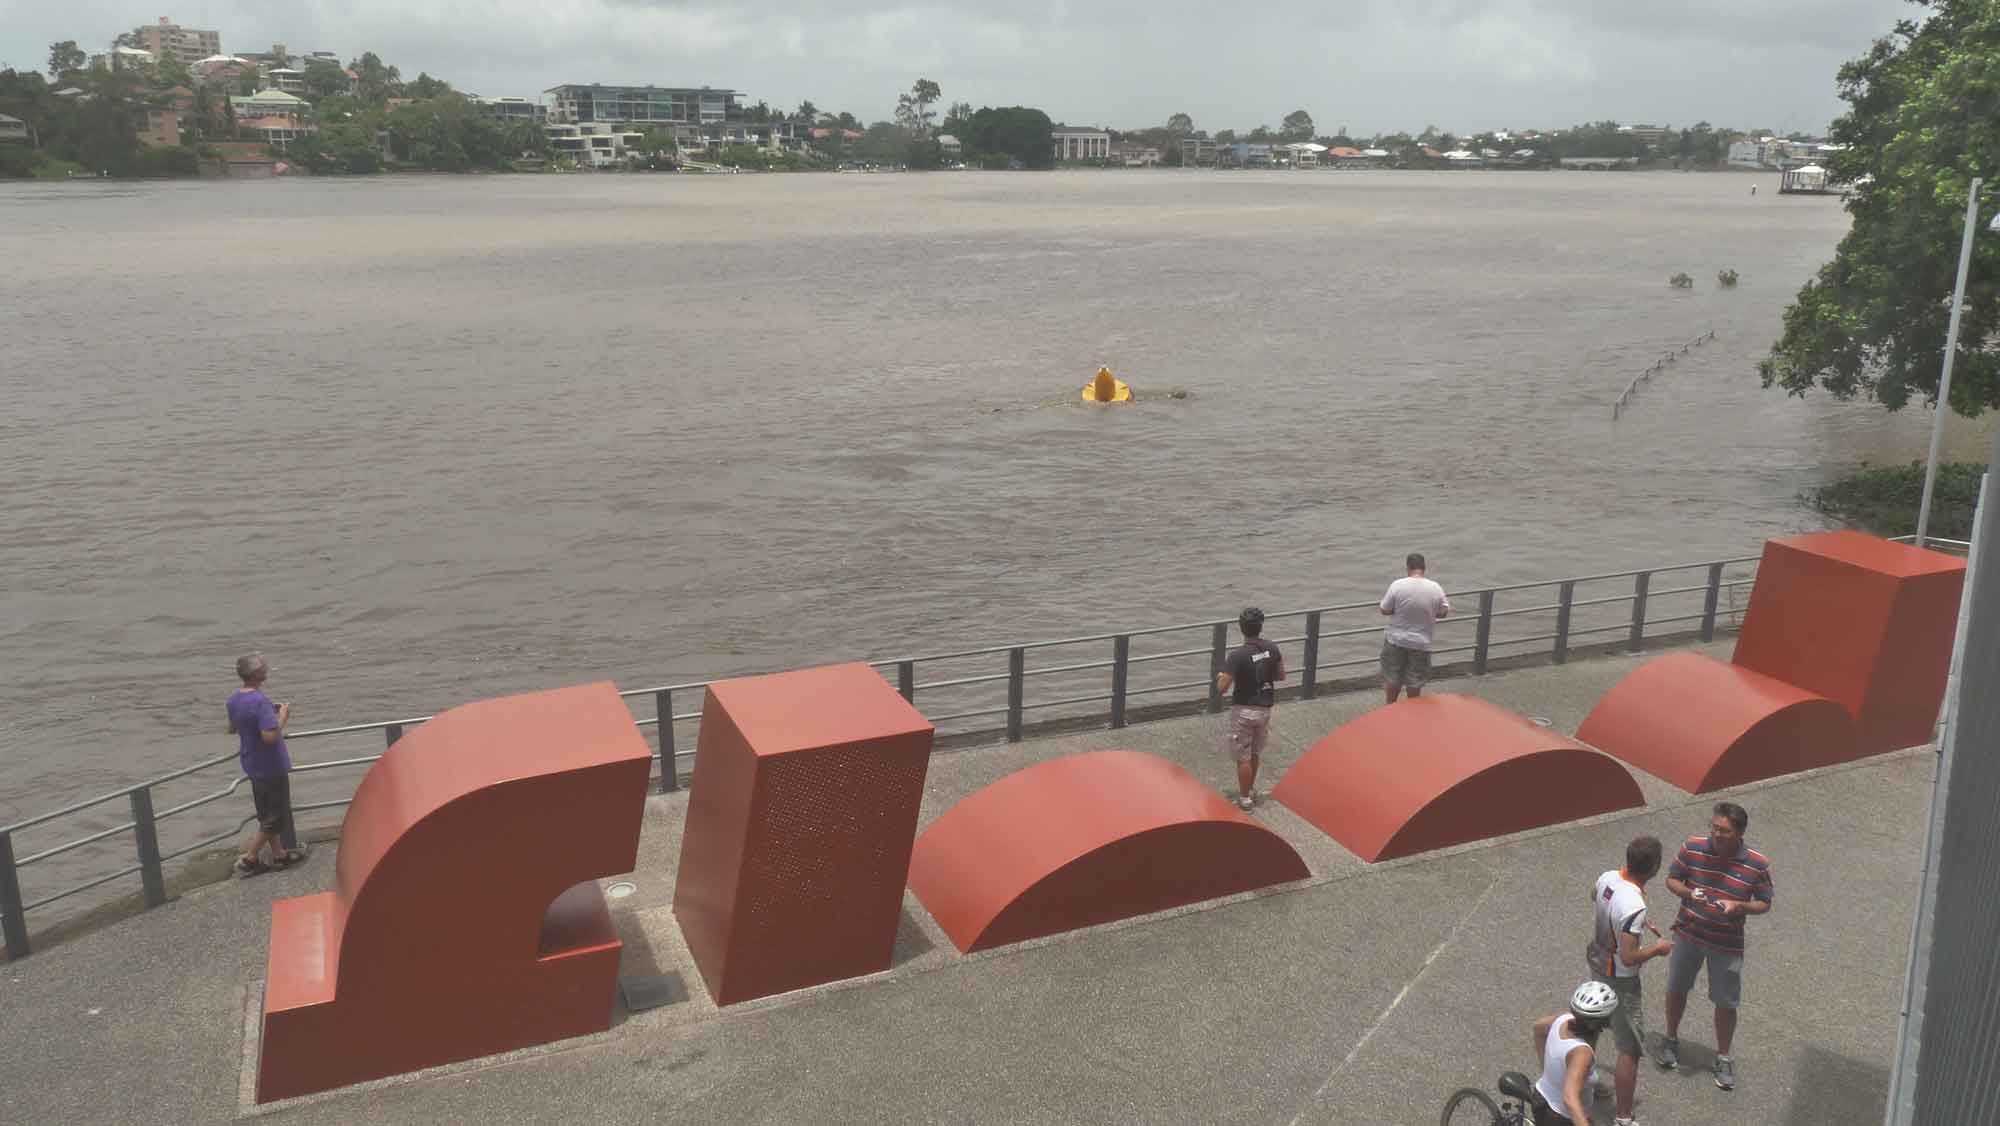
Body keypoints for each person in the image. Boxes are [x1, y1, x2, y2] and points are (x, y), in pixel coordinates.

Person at [1658, 801, 1773, 1091]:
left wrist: (1740, 907)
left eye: (1724, 831)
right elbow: (1671, 880)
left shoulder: (1757, 864)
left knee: (1725, 1002)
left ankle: (1723, 1057)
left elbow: (1764, 903)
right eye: (1714, 828)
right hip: (1689, 934)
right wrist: (1687, 892)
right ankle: (1670, 1039)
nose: (1716, 835)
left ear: (1740, 832)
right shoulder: (1693, 847)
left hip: (1727, 944)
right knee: (1677, 989)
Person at [1587, 836, 1674, 1126]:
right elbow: (1629, 956)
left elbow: (1594, 896)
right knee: (1630, 1050)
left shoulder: (1607, 877)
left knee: (1592, 1027)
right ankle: (1623, 1118)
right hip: (1620, 982)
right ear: (1655, 867)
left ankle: (1586, 1081)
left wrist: (1624, 924)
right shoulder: (1635, 904)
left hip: (1596, 966)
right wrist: (1658, 949)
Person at [226, 652, 304, 876]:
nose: (266, 668)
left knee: (265, 812)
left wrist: (266, 715)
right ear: (257, 674)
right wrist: (282, 716)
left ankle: (279, 855)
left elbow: (232, 728)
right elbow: (269, 737)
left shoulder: (233, 699)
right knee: (275, 816)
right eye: (263, 667)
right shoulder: (260, 701)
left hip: (251, 763)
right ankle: (250, 858)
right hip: (271, 765)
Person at [1215, 607, 1284, 811]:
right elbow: (1281, 675)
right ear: (1260, 627)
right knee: (1254, 753)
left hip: (1243, 711)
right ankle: (1251, 789)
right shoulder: (1272, 648)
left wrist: (1220, 678)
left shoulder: (1237, 655)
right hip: (1264, 709)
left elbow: (1223, 688)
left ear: (1241, 628)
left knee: (1242, 757)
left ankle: (1244, 798)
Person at [1530, 980, 1619, 1125]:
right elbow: (1570, 1098)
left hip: (1541, 1095)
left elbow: (1538, 1028)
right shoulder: (1581, 1053)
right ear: (1599, 1021)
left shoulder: (1563, 1019)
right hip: (1559, 1117)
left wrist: (1546, 1068)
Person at [1378, 552, 1449, 704]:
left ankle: (1390, 709)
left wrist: (1396, 610)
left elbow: (1384, 609)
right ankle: (1412, 711)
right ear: (1424, 568)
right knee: (1414, 681)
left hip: (1396, 640)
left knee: (1392, 677)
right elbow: (1443, 612)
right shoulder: (1435, 587)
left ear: (1408, 567)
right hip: (1421, 642)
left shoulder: (1398, 585)